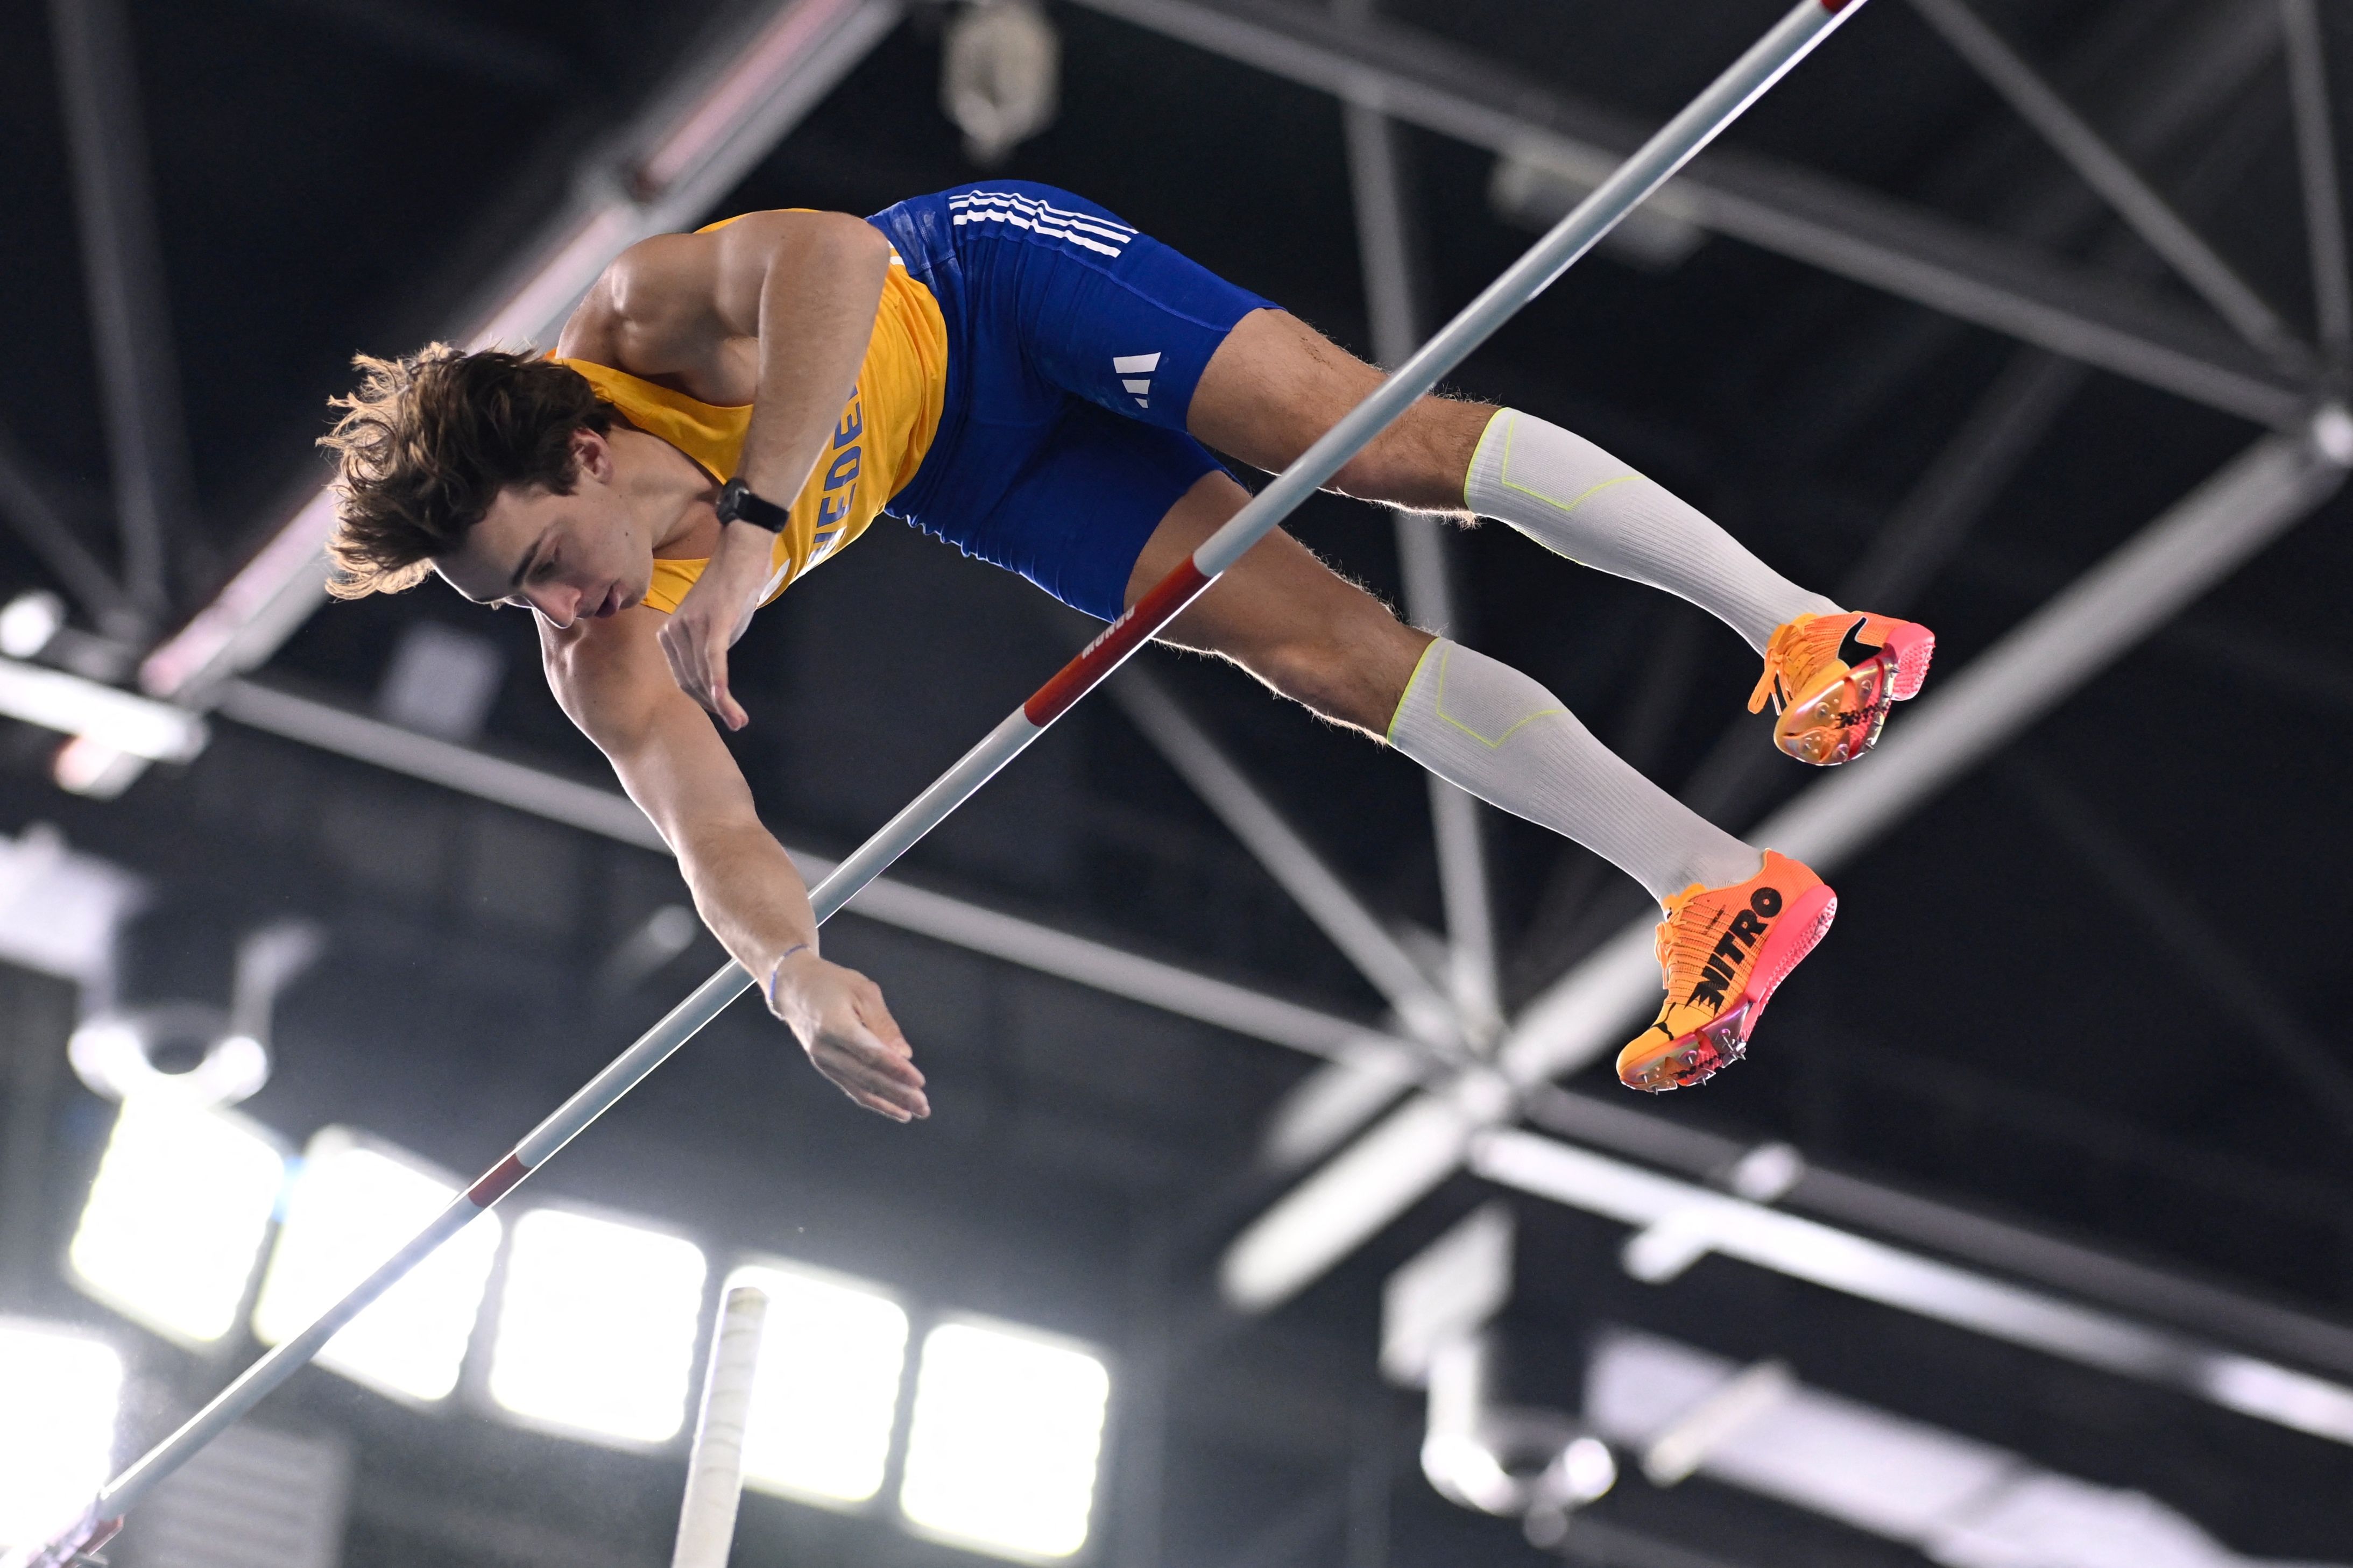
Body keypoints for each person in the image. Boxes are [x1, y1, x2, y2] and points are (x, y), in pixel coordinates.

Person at [320, 183, 1933, 1112]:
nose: (559, 612)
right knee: (1324, 659)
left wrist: (750, 523)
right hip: (972, 469)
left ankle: (1801, 626)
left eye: (544, 566)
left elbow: (838, 257)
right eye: (514, 607)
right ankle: (1713, 882)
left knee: (1375, 444)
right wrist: (790, 971)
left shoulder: (635, 323)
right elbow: (713, 834)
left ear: (584, 454)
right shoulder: (603, 660)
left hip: (986, 278)